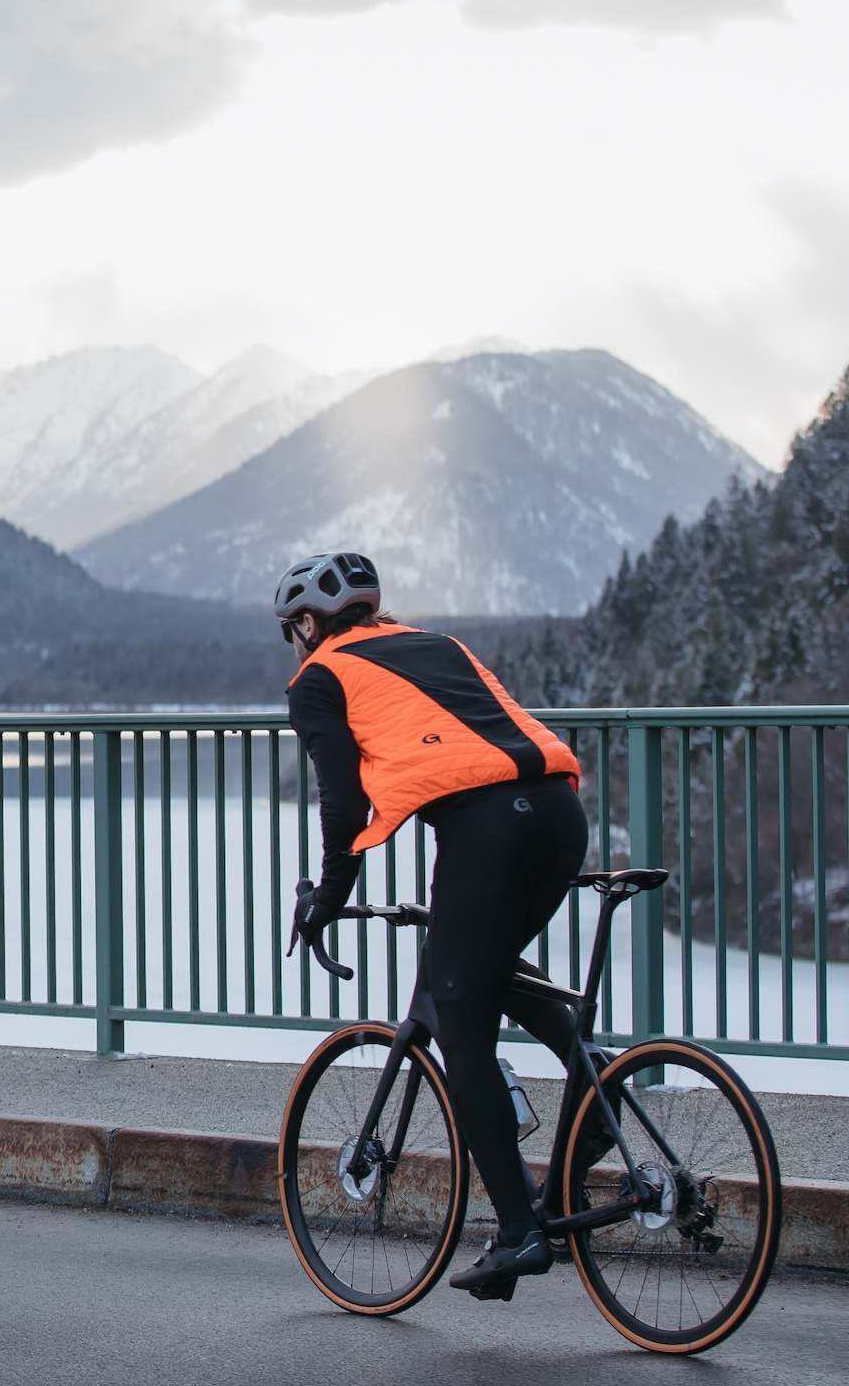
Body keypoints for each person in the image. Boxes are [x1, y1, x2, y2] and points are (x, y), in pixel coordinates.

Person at [277, 551, 590, 1300]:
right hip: (559, 811)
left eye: (292, 630)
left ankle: (519, 1235)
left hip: (489, 830)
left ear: (310, 623)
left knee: (461, 1026)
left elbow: (343, 804)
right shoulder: (440, 645)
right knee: (489, 971)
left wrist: (329, 895)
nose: (294, 644)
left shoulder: (320, 676)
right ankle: (595, 1084)